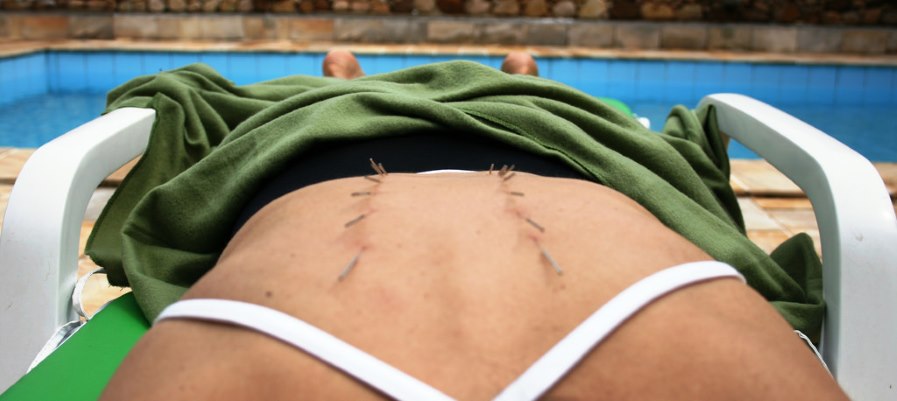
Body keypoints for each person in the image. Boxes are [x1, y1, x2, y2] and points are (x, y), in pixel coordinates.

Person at [97, 51, 846, 400]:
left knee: (334, 88)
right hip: (649, 301)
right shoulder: (590, 131)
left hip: (275, 321)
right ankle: (523, 74)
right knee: (529, 86)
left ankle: (349, 76)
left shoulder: (287, 117)